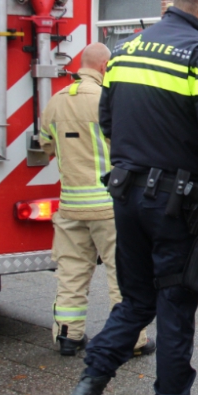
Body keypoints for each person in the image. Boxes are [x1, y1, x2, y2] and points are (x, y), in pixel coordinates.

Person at [57, 0, 198, 395]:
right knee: (175, 309)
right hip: (174, 204)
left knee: (135, 303)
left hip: (125, 194)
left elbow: (109, 122)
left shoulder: (127, 50)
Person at [39, 43, 154, 358]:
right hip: (109, 205)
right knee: (123, 273)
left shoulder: (55, 102)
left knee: (72, 272)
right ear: (105, 67)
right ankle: (131, 339)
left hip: (70, 205)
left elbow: (46, 147)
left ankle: (68, 336)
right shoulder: (108, 101)